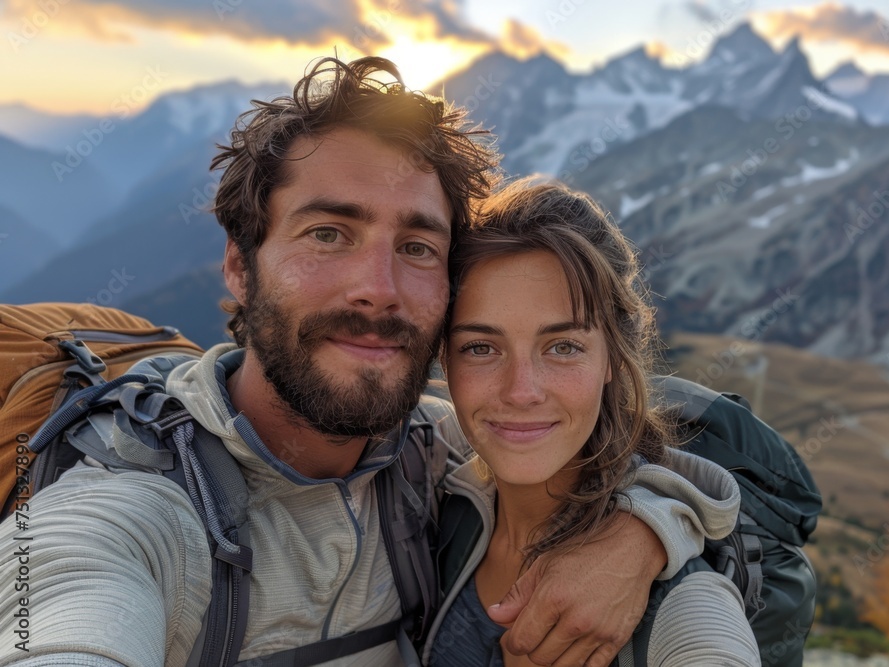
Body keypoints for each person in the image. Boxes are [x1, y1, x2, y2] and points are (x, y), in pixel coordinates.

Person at [0, 58, 721, 667]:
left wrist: (645, 533)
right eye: (328, 232)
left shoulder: (440, 453)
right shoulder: (125, 512)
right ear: (239, 267)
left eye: (417, 246)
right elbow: (66, 598)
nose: (378, 287)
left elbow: (654, 457)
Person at [425, 178, 761, 666]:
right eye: (480, 348)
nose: (521, 391)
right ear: (445, 359)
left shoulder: (683, 605)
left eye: (563, 347)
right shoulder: (440, 487)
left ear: (611, 359)